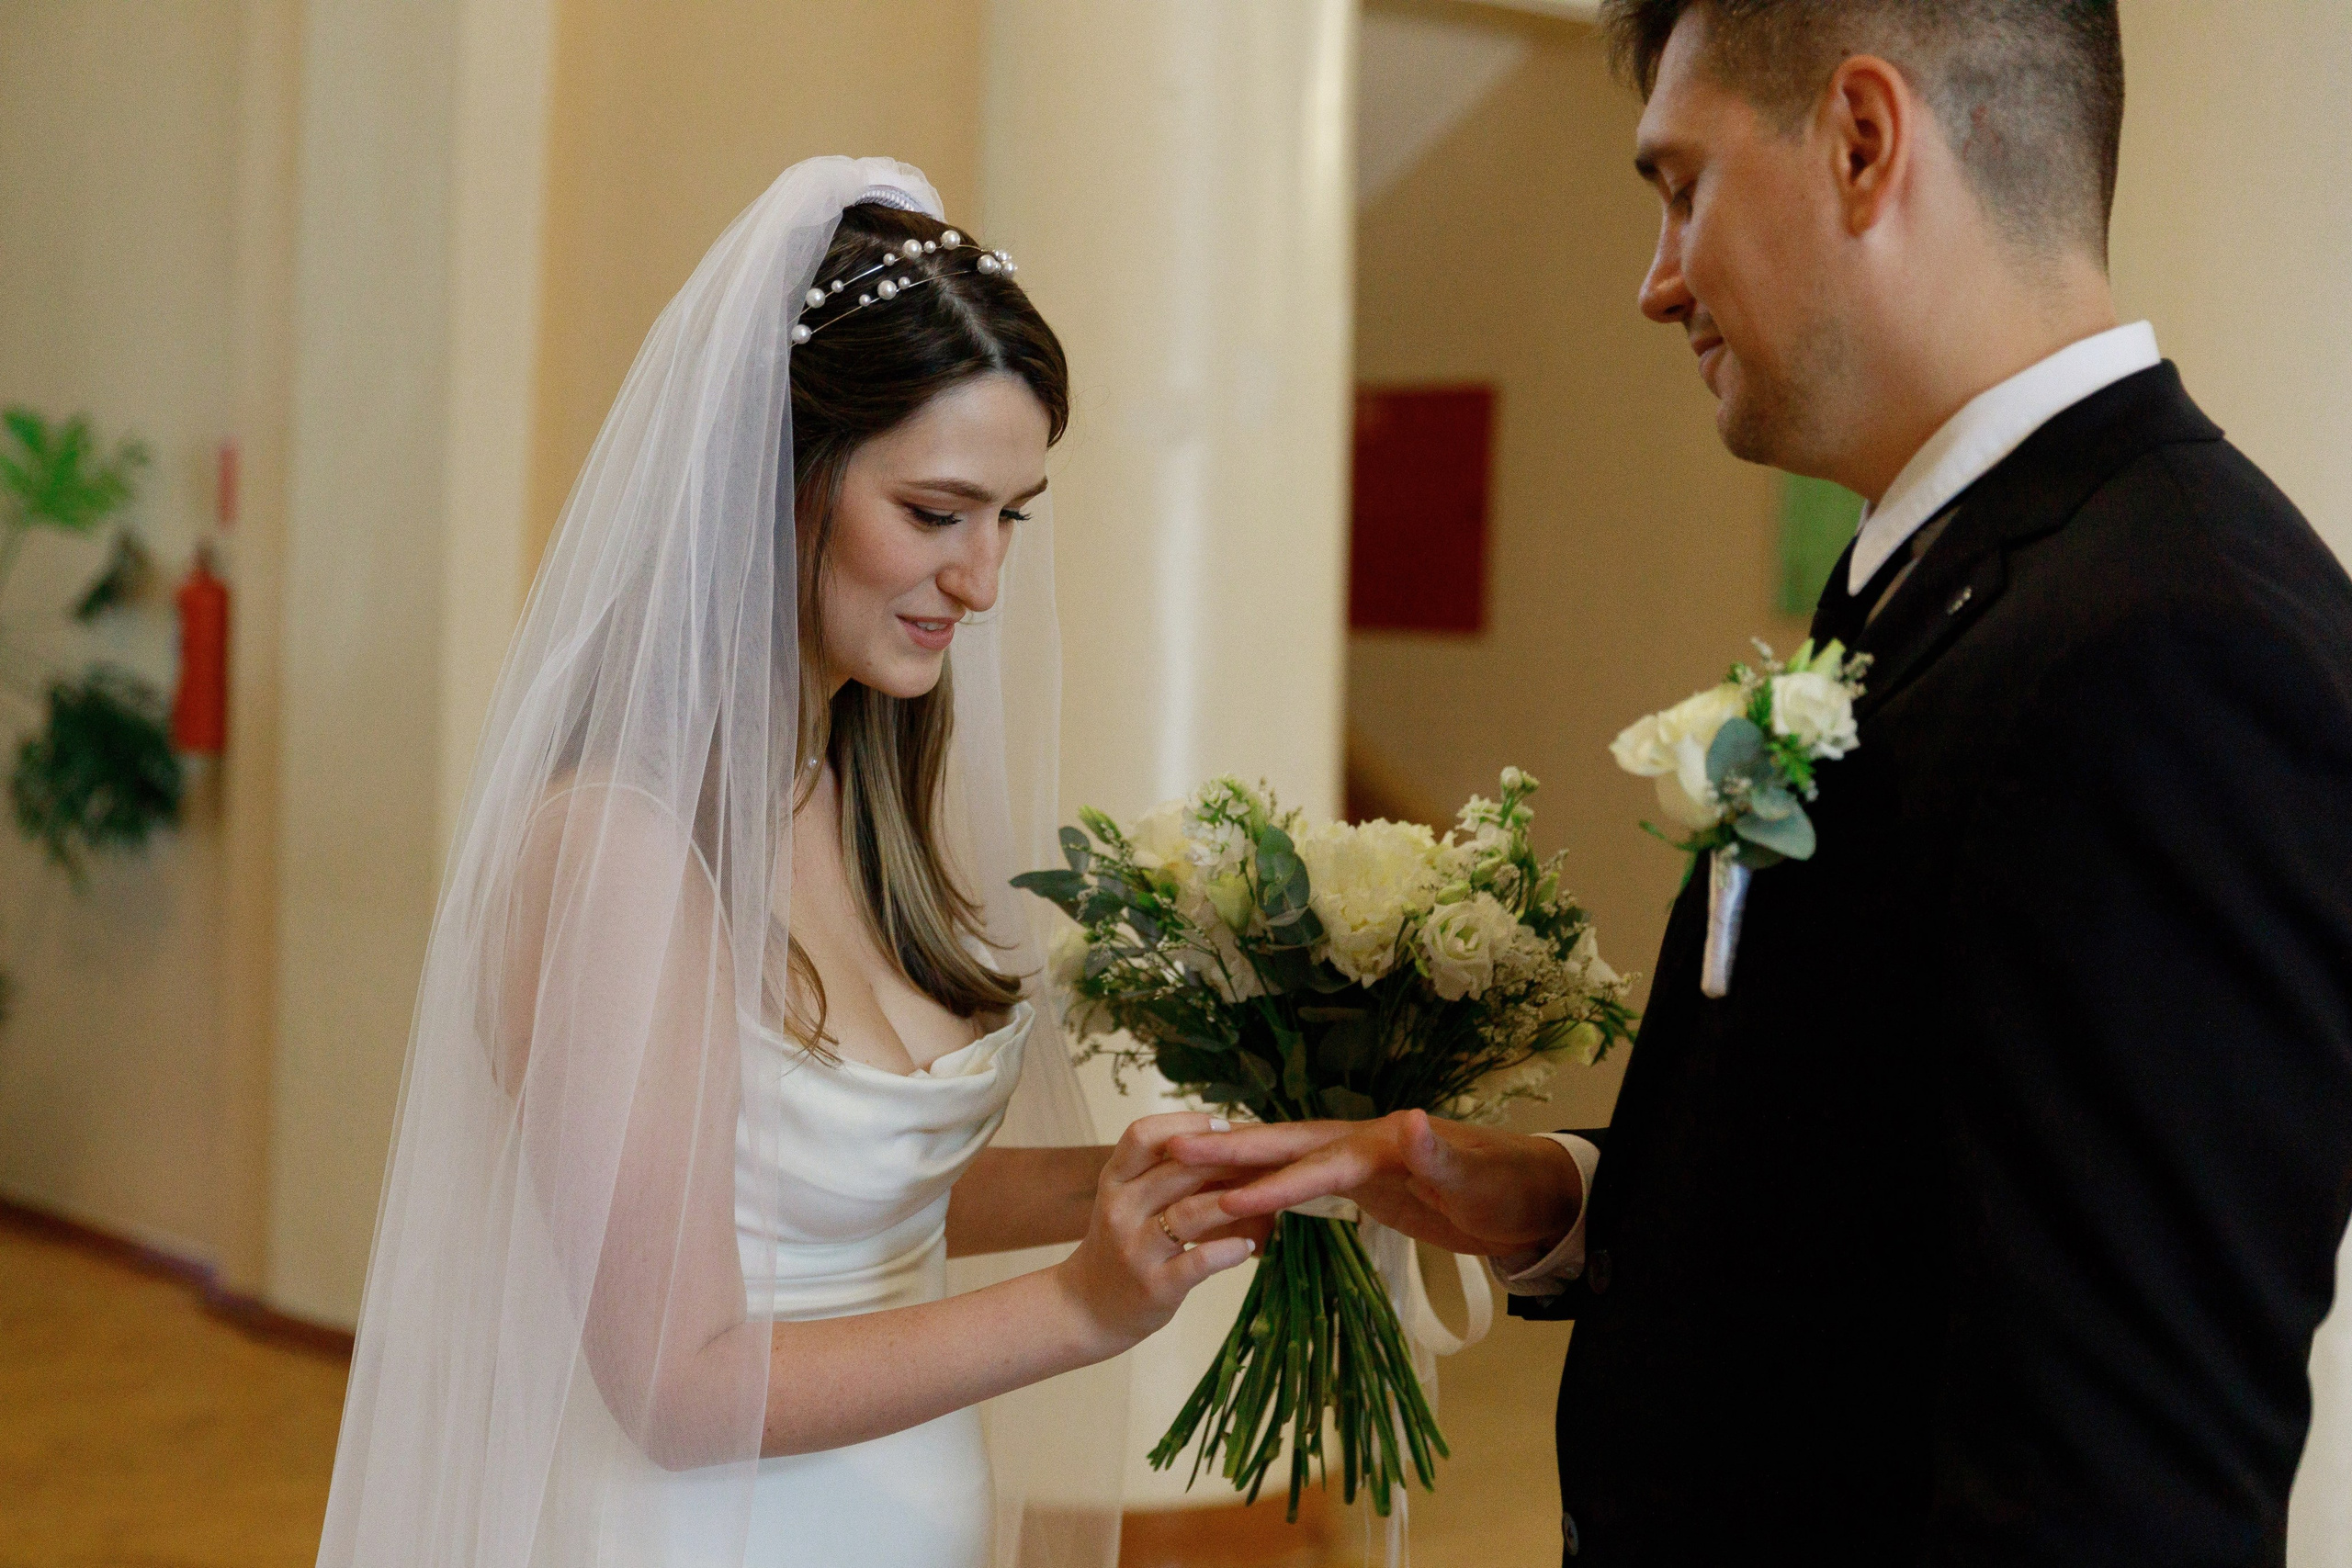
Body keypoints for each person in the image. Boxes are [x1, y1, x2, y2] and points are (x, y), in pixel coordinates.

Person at [1172, 5, 2352, 1563]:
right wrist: (1567, 1201)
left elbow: (2115, 1483)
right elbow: (1895, 1202)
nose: (1655, 281)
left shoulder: (2170, 647)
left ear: (1864, 142)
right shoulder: (1963, 573)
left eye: (1680, 188)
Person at [313, 157, 1265, 1568]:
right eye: (936, 514)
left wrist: (1152, 1180)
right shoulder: (619, 849)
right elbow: (678, 1386)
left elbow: (840, 1191)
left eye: (1012, 518)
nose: (984, 580)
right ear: (783, 477)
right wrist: (1079, 1305)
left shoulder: (852, 789)